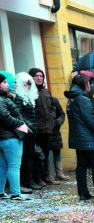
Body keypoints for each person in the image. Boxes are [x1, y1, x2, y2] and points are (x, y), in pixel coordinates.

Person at [65, 74, 94, 201]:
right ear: (84, 85)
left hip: (80, 140)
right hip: (89, 139)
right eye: (88, 84)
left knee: (82, 167)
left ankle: (83, 193)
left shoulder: (73, 99)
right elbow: (91, 120)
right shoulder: (82, 99)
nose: (90, 86)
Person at [0, 71, 29, 201]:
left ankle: (1, 192)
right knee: (14, 166)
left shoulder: (5, 98)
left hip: (3, 137)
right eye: (4, 82)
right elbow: (5, 116)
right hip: (10, 137)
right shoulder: (2, 99)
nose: (7, 84)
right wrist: (21, 124)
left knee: (3, 166)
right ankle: (16, 193)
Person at [14, 72, 43, 192]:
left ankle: (30, 180)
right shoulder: (19, 98)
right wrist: (29, 127)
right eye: (26, 84)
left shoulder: (28, 98)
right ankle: (27, 181)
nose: (28, 86)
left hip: (31, 132)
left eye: (30, 84)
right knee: (26, 157)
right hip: (25, 132)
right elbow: (19, 115)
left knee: (31, 157)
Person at [29, 67, 58, 185]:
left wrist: (52, 120)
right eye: (37, 76)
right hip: (36, 129)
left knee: (45, 154)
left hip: (47, 129)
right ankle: (38, 178)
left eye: (41, 76)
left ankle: (46, 176)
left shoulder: (46, 91)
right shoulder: (30, 91)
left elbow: (52, 108)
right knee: (37, 156)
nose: (39, 78)